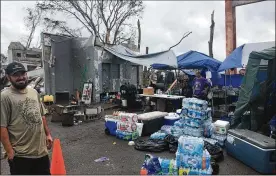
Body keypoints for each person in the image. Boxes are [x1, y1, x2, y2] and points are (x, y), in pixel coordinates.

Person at [1, 62, 53, 175]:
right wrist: (10, 152)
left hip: (41, 152)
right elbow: (2, 127)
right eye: (16, 75)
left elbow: (41, 115)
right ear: (8, 77)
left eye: (23, 73)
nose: (21, 77)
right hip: (21, 155)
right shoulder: (5, 97)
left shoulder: (33, 92)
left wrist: (48, 134)